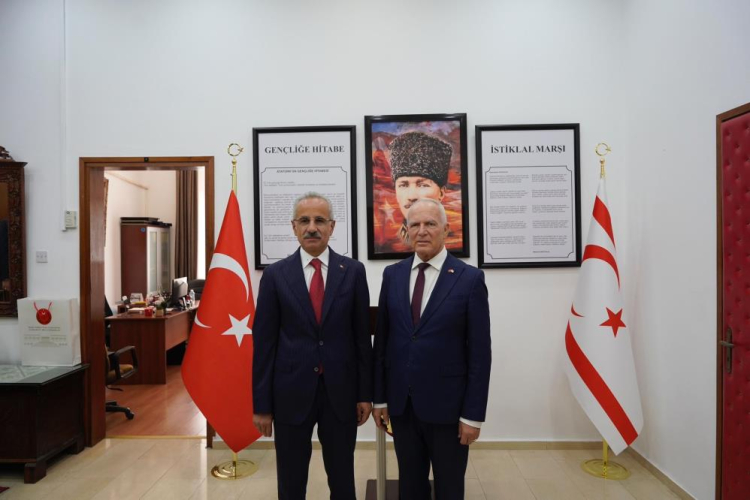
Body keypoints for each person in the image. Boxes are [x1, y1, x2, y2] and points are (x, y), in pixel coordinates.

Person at [253, 192, 373, 500]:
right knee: (291, 481)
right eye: (304, 221)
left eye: (320, 220)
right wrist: (262, 406)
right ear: (293, 226)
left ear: (332, 226)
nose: (312, 227)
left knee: (343, 479)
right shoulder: (275, 275)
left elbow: (361, 339)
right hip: (290, 394)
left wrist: (365, 393)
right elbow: (264, 345)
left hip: (340, 394)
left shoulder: (353, 272)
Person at [372, 198, 491, 500]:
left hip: (449, 410)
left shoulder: (469, 279)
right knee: (410, 486)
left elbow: (480, 355)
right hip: (403, 407)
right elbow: (382, 343)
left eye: (430, 224)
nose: (422, 231)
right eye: (415, 224)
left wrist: (472, 416)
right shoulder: (392, 275)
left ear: (446, 230)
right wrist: (380, 398)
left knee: (449, 488)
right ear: (406, 230)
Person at [388, 131, 453, 244]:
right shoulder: (392, 242)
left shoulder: (453, 240)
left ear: (441, 193)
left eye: (422, 185)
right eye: (403, 185)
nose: (412, 196)